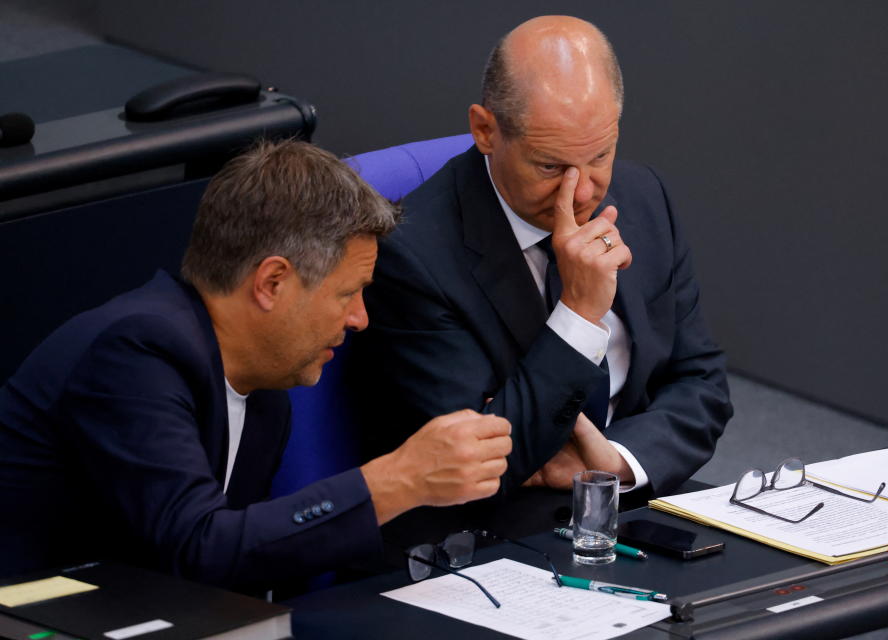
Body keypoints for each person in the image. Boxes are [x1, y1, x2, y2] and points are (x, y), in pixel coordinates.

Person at [0, 140, 512, 591]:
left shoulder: (264, 384)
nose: (360, 318)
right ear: (271, 282)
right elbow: (198, 549)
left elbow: (250, 559)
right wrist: (398, 479)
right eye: (349, 293)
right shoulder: (135, 352)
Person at [349, 16, 732, 527]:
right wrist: (578, 313)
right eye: (550, 167)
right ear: (485, 130)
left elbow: (702, 382)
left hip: (637, 492)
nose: (582, 191)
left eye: (601, 155)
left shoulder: (644, 198)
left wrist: (614, 462)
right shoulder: (411, 257)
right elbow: (479, 469)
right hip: (493, 536)